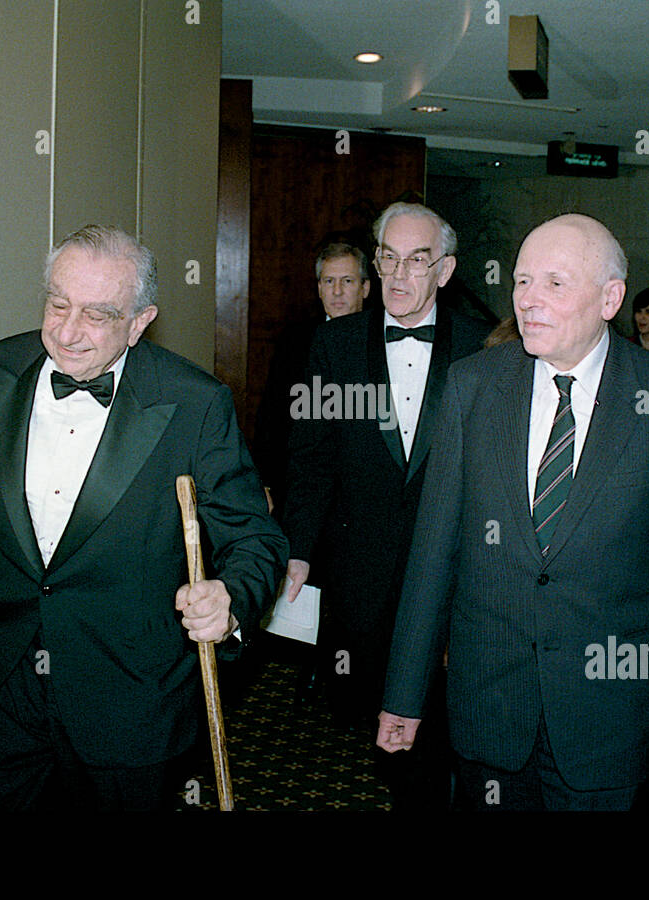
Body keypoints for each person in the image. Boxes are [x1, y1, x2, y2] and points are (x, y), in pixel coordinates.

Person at [377, 214, 649, 811]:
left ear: (610, 298)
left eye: (555, 285)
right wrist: (405, 691)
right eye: (522, 281)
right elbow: (434, 551)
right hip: (490, 707)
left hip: (608, 717)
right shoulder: (472, 386)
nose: (529, 301)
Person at [0, 224, 287, 811]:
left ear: (140, 321)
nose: (68, 332)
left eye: (98, 316)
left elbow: (256, 537)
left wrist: (230, 598)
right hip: (3, 676)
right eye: (58, 304)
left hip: (129, 692)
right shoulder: (5, 365)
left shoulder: (195, 403)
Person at [281, 202, 490, 809]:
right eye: (388, 259)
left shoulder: (485, 349)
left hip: (453, 578)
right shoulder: (335, 344)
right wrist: (296, 550)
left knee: (444, 721)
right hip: (362, 570)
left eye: (416, 261)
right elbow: (312, 458)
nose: (398, 276)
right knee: (377, 717)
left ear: (444, 271)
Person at [253, 241, 371, 515]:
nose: (337, 291)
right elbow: (272, 417)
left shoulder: (383, 344)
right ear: (319, 288)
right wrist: (265, 483)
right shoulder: (294, 342)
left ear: (365, 288)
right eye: (329, 281)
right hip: (299, 489)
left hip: (361, 494)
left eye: (347, 281)